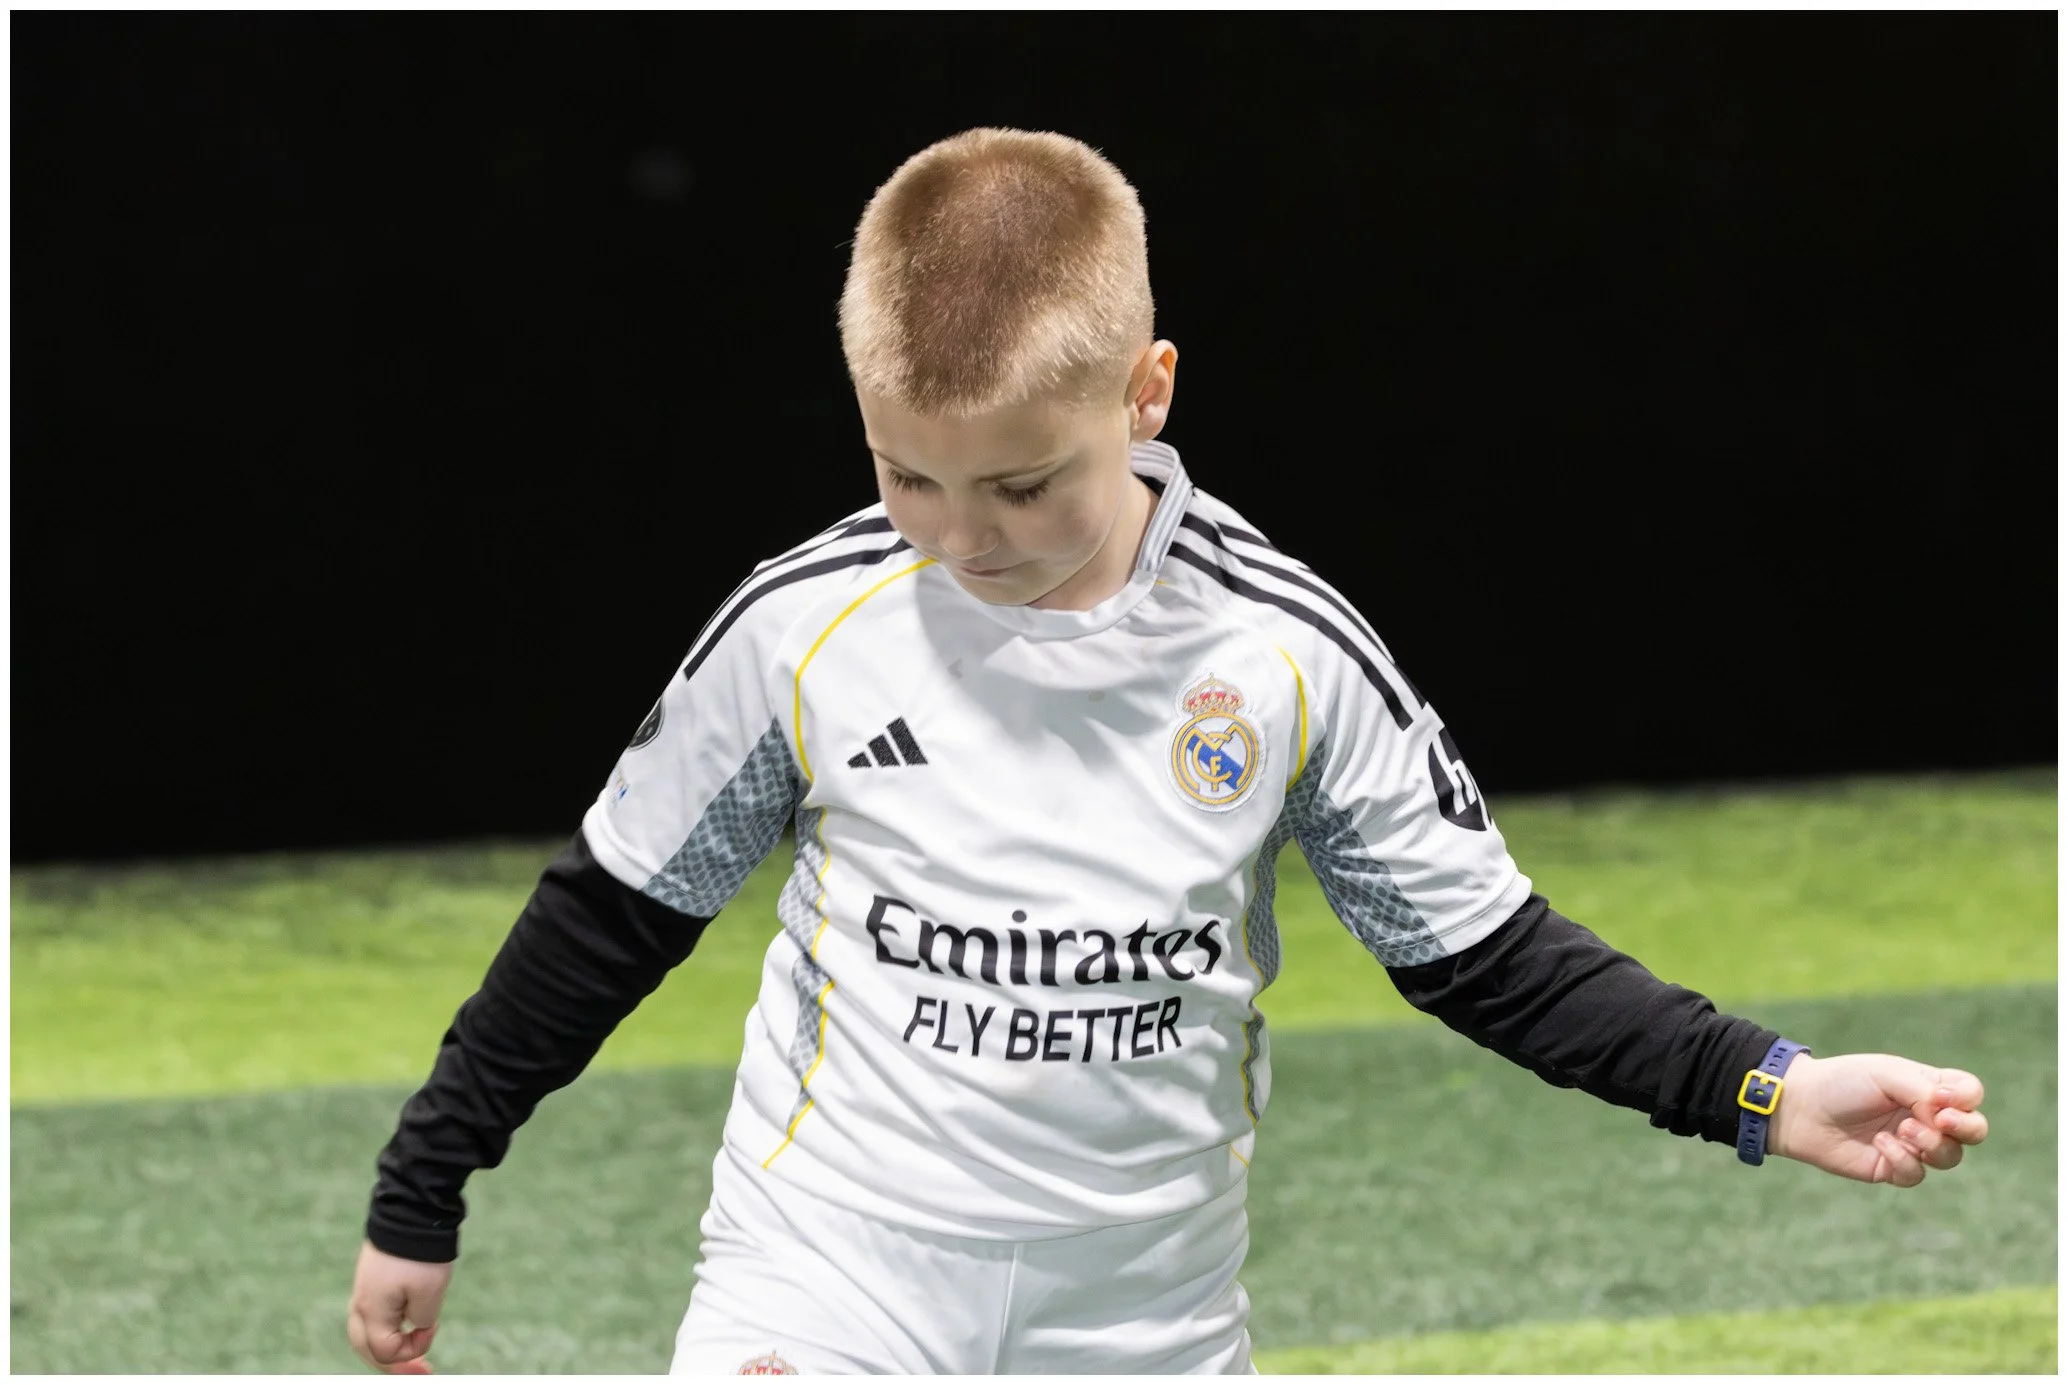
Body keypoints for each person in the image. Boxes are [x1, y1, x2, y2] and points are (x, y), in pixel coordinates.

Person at [345, 128, 1990, 1376]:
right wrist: (428, 1182)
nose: (963, 539)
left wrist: (1764, 1089)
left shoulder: (1283, 654)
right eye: (910, 477)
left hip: (1140, 1315)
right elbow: (610, 915)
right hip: (829, 1265)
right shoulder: (805, 627)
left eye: (1022, 485)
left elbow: (1490, 959)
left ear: (1147, 392)